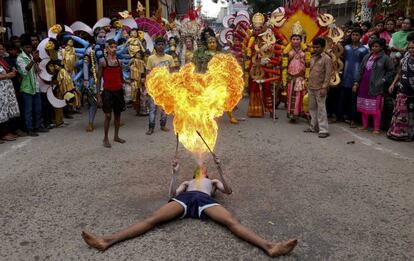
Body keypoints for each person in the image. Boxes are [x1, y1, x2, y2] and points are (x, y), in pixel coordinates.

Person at [81, 158, 298, 257]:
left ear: (207, 173)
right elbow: (171, 195)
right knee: (152, 219)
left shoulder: (212, 183)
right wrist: (175, 174)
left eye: (204, 167)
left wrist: (221, 171)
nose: (200, 168)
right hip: (186, 199)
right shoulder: (187, 181)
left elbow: (229, 191)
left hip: (205, 201)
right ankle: (106, 240)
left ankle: (269, 246)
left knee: (232, 222)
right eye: (198, 168)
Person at [353, 38, 394, 134]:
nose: (374, 48)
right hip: (364, 84)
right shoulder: (367, 56)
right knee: (364, 105)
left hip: (376, 86)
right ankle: (365, 125)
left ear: (382, 47)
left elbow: (391, 71)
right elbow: (360, 70)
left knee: (376, 108)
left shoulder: (385, 58)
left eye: (376, 46)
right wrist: (356, 82)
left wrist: (383, 80)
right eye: (372, 46)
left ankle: (376, 128)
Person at [16, 35, 48, 136]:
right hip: (26, 88)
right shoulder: (20, 58)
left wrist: (37, 63)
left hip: (35, 86)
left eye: (30, 47)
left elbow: (36, 71)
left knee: (38, 109)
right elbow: (24, 72)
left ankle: (37, 126)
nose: (29, 49)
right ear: (22, 48)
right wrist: (33, 60)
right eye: (26, 47)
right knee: (28, 110)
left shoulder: (31, 56)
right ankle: (29, 129)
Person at [337, 28, 369, 127]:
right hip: (345, 76)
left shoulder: (364, 49)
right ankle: (339, 116)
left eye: (356, 35)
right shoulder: (346, 48)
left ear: (360, 36)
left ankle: (353, 119)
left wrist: (359, 80)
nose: (354, 36)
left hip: (356, 78)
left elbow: (364, 65)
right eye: (353, 35)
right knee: (342, 98)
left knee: (354, 100)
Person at [97, 39, 126, 148]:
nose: (114, 49)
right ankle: (105, 138)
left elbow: (121, 77)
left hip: (118, 91)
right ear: (107, 49)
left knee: (118, 115)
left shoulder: (119, 62)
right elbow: (99, 79)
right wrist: (98, 95)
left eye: (115, 47)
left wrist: (125, 84)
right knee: (108, 116)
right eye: (111, 47)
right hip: (108, 92)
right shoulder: (103, 62)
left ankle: (116, 136)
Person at [145, 37, 175, 135]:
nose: (161, 46)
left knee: (164, 108)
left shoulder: (169, 58)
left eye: (162, 44)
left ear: (164, 46)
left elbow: (172, 73)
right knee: (153, 108)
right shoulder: (150, 58)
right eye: (159, 44)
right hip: (154, 87)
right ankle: (151, 127)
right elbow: (148, 73)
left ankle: (163, 125)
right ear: (155, 46)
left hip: (165, 87)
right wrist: (148, 87)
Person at [304, 38, 332, 138]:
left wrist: (324, 87)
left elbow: (328, 75)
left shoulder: (327, 59)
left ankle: (324, 130)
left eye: (318, 47)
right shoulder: (312, 57)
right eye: (314, 47)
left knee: (321, 109)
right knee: (312, 108)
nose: (315, 49)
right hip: (311, 86)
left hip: (320, 88)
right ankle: (313, 127)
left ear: (323, 47)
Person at [387, 40, 414, 141]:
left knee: (411, 115)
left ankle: (409, 135)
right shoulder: (405, 59)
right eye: (410, 48)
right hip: (403, 89)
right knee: (400, 113)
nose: (411, 50)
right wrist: (393, 84)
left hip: (412, 92)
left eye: (413, 48)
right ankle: (396, 133)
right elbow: (399, 72)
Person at [0, 43, 20, 142]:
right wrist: (9, 75)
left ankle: (6, 132)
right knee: (1, 111)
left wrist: (12, 71)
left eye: (2, 49)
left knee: (6, 110)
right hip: (1, 90)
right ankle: (2, 134)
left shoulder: (3, 61)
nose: (1, 51)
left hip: (6, 89)